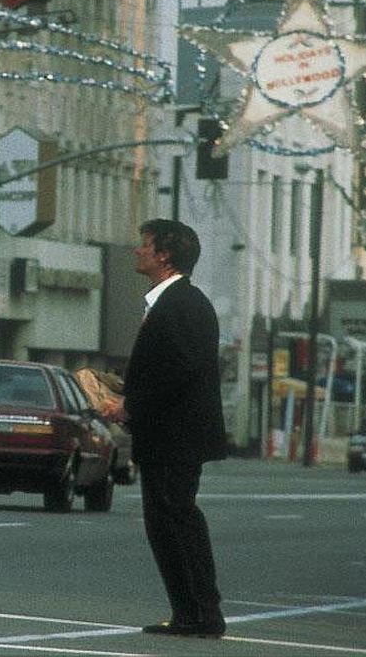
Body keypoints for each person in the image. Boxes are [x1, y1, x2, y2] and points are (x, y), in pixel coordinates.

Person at [102, 219, 229, 638]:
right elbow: (170, 366)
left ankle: (200, 613)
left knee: (175, 519)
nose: (137, 250)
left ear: (164, 256)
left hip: (177, 436)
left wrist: (131, 406)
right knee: (168, 520)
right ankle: (191, 612)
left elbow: (181, 368)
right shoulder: (171, 303)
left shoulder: (181, 304)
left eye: (145, 244)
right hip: (167, 435)